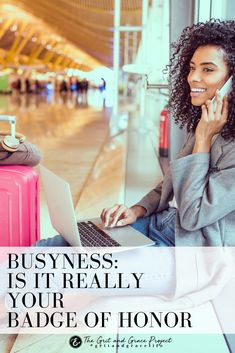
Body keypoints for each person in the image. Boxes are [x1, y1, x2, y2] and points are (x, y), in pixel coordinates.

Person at [101, 19, 235, 247]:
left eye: (208, 70)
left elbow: (193, 216)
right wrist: (137, 210)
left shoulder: (209, 131)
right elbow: (172, 181)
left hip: (190, 247)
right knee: (54, 244)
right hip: (163, 223)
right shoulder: (210, 123)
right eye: (192, 68)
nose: (193, 77)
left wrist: (203, 139)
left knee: (77, 266)